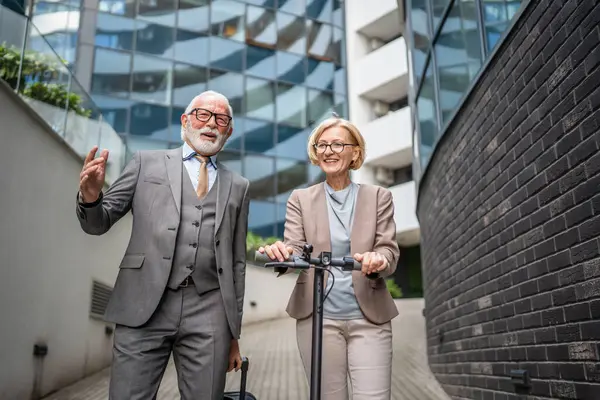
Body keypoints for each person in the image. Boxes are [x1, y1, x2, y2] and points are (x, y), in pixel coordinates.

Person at [76, 90, 250, 400]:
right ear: (185, 121)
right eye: (203, 114)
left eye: (221, 119)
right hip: (143, 303)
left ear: (229, 131)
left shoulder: (239, 186)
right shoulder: (146, 162)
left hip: (209, 310)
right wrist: (91, 196)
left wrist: (233, 335)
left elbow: (237, 263)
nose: (211, 124)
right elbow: (98, 222)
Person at [258, 116, 400, 400]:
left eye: (337, 144)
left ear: (355, 153)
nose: (328, 151)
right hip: (317, 319)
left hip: (369, 316)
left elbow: (389, 250)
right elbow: (295, 249)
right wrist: (283, 253)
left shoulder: (378, 196)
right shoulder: (300, 199)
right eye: (321, 145)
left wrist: (378, 260)